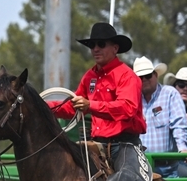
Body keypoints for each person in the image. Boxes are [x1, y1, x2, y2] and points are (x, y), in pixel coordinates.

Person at [49, 22, 146, 165]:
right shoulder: (89, 77)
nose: (95, 49)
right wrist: (43, 106)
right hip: (96, 145)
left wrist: (90, 105)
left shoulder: (127, 76)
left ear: (115, 48)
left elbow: (127, 108)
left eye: (101, 44)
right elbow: (72, 107)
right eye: (92, 45)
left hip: (124, 145)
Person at [134, 57, 187, 177]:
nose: (144, 80)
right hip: (140, 166)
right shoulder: (132, 99)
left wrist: (182, 148)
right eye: (140, 77)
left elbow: (178, 125)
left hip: (168, 167)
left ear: (155, 75)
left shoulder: (170, 94)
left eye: (148, 75)